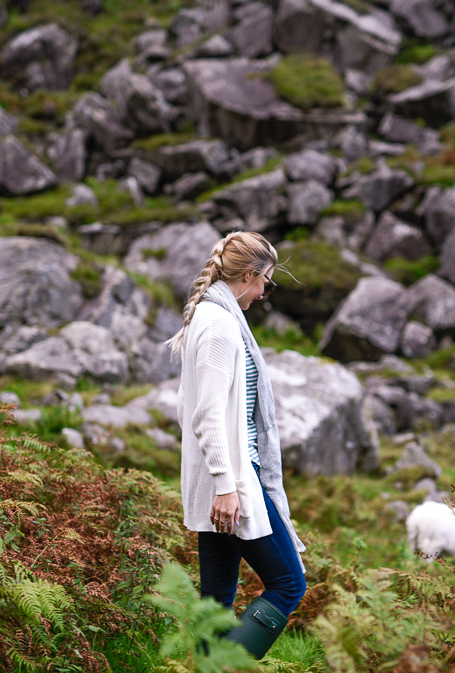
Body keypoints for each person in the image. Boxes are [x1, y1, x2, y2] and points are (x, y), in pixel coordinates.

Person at [168, 231, 307, 660]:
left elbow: (186, 406)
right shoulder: (219, 328)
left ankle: (205, 667)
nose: (265, 292)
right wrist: (226, 486)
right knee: (289, 584)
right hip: (231, 485)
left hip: (223, 482)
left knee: (216, 605)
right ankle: (224, 668)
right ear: (248, 275)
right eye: (266, 280)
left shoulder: (212, 319)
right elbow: (205, 415)